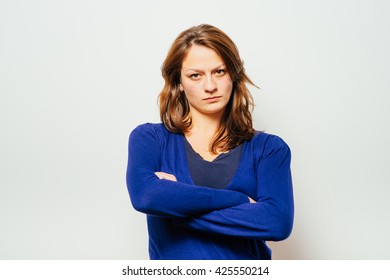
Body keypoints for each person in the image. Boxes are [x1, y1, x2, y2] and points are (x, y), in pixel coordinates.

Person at [126, 24, 294, 260]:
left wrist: (174, 208)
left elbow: (277, 223)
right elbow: (146, 196)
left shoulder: (268, 149)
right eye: (195, 75)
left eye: (219, 72)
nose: (210, 86)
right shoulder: (151, 140)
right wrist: (239, 199)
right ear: (179, 83)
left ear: (233, 75)